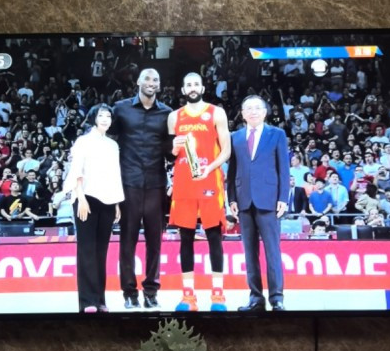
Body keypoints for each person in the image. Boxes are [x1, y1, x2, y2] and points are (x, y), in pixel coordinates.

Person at [168, 73, 231, 312]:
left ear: (203, 88)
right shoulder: (174, 117)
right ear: (183, 90)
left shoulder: (216, 112)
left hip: (209, 180)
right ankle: (188, 297)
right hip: (184, 182)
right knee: (185, 238)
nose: (192, 88)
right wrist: (173, 149)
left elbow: (226, 151)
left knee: (214, 236)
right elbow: (170, 153)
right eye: (188, 85)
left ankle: (218, 295)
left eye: (196, 84)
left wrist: (209, 168)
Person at [112, 68, 172, 310]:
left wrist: (179, 146)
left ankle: (151, 291)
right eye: (147, 78)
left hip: (156, 184)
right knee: (127, 241)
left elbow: (170, 153)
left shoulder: (167, 113)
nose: (151, 83)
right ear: (138, 81)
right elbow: (108, 141)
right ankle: (129, 293)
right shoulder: (120, 109)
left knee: (155, 242)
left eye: (155, 79)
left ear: (159, 84)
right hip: (128, 184)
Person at [227, 95, 290, 312]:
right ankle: (255, 298)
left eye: (257, 108)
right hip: (244, 201)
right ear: (243, 114)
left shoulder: (277, 134)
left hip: (269, 200)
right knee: (249, 253)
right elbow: (232, 170)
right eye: (248, 109)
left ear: (264, 112)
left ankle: (277, 298)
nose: (253, 112)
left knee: (273, 251)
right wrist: (231, 198)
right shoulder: (235, 137)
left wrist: (283, 198)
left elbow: (284, 169)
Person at [64, 104, 123, 313]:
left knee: (101, 252)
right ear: (94, 118)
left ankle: (99, 300)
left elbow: (115, 175)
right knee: (87, 250)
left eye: (108, 116)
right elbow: (76, 170)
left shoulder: (113, 145)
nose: (105, 119)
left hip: (108, 200)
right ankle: (87, 301)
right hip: (86, 198)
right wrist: (80, 198)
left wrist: (117, 203)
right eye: (101, 115)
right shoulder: (83, 141)